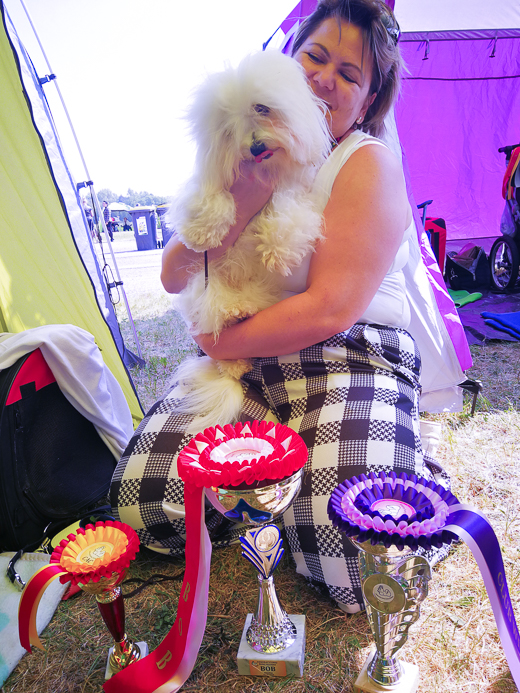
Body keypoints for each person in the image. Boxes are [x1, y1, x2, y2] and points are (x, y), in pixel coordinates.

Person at [110, 0, 455, 613]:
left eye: (350, 74)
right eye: (315, 57)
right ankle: (292, 479)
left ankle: (383, 461)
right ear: (286, 64)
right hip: (247, 367)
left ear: (371, 100)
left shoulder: (367, 163)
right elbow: (170, 275)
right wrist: (241, 199)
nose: (326, 78)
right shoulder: (243, 144)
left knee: (357, 565)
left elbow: (329, 310)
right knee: (143, 505)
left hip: (349, 356)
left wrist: (218, 341)